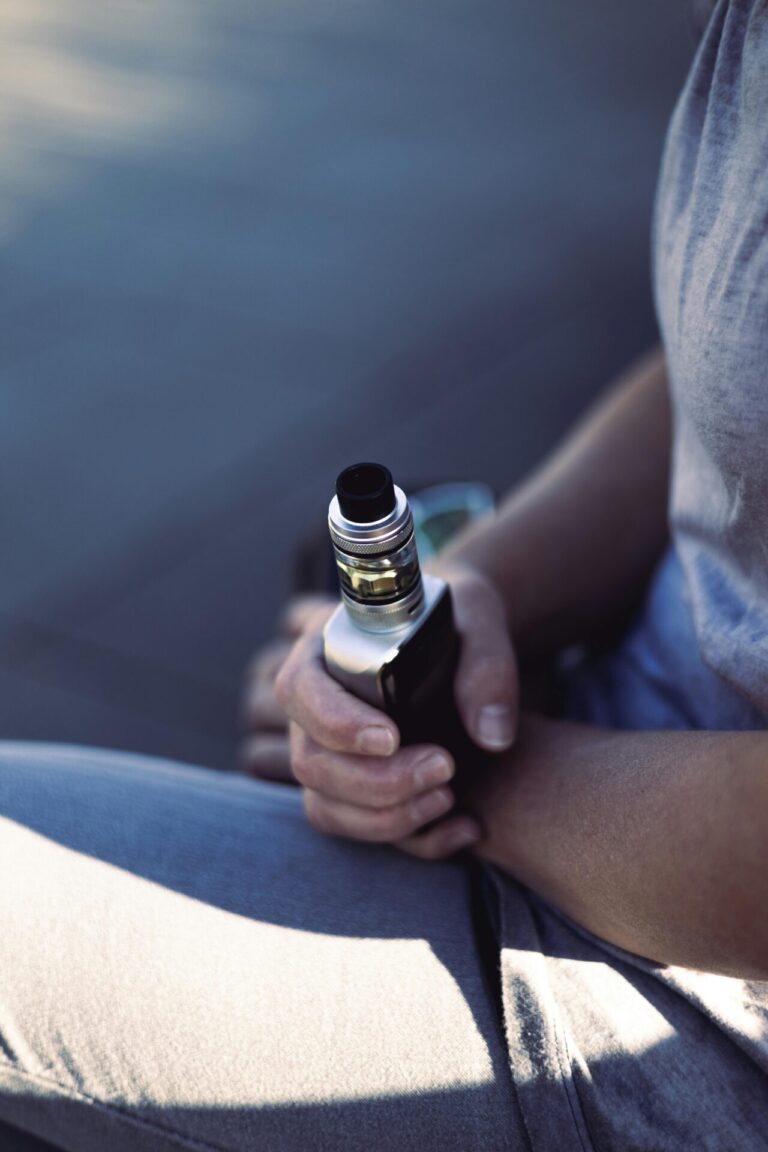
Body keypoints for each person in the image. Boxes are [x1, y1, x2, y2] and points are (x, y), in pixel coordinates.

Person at [1, 1, 766, 1148]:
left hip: (690, 1001)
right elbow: (712, 380)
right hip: (576, 779)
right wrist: (476, 594)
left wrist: (444, 775)